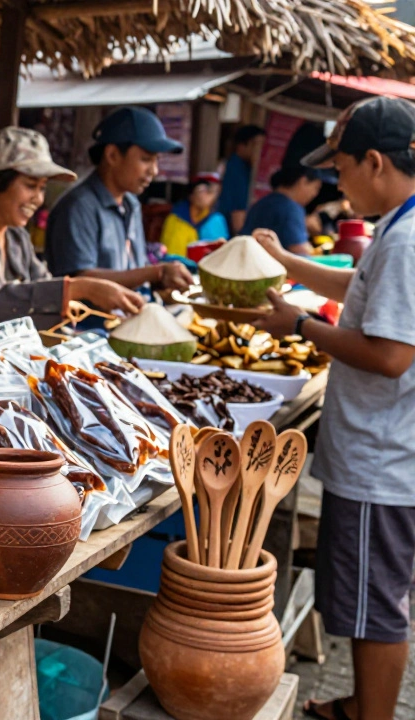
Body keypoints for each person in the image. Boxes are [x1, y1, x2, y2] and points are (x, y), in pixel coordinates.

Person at [252, 97, 415, 720]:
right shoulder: (397, 227)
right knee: (372, 597)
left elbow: (392, 353)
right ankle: (361, 703)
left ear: (375, 162)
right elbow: (359, 288)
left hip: (383, 458)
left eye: (342, 168)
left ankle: (370, 715)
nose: (335, 182)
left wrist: (298, 324)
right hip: (382, 448)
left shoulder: (403, 240)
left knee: (376, 607)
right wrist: (292, 266)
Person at [0, 127, 145, 330]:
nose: (39, 199)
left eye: (42, 188)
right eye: (30, 186)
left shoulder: (16, 236)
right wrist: (79, 288)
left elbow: (43, 283)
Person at [45, 107, 193, 297]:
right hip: (89, 325)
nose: (154, 171)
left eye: (156, 161)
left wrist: (161, 279)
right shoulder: (78, 207)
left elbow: (132, 270)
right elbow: (81, 280)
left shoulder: (131, 204)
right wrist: (156, 273)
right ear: (112, 155)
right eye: (146, 159)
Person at [240, 165, 324, 255]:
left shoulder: (260, 204)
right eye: (316, 188)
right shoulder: (291, 209)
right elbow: (301, 252)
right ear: (303, 181)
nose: (315, 194)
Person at [159, 172, 228, 257]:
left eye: (212, 192)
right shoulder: (175, 218)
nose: (207, 196)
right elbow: (169, 252)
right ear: (191, 195)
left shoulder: (216, 220)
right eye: (202, 190)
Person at [216, 124, 265, 232]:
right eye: (256, 145)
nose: (260, 151)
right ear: (241, 146)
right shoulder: (237, 170)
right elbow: (238, 220)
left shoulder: (244, 168)